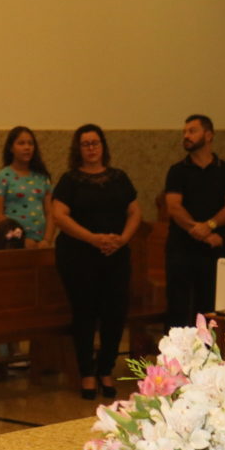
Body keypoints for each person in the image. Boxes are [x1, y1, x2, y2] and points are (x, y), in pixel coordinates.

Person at [51, 124, 141, 400]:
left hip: (115, 254)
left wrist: (122, 239)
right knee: (85, 313)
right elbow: (59, 215)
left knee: (115, 313)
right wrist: (93, 238)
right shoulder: (70, 180)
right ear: (78, 149)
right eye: (85, 144)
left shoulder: (119, 178)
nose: (91, 148)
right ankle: (87, 373)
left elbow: (135, 211)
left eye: (95, 143)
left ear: (103, 146)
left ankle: (106, 369)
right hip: (79, 255)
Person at [164, 114, 225, 329]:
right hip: (181, 249)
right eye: (184, 132)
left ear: (208, 135)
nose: (186, 136)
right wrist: (203, 233)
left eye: (192, 131)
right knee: (178, 308)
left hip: (214, 250)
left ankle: (208, 349)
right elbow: (174, 207)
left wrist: (209, 226)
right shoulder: (177, 170)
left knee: (209, 308)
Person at [0, 125, 54, 246]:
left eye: (30, 143)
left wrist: (47, 240)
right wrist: (20, 238)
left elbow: (50, 213)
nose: (27, 147)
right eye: (21, 143)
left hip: (40, 243)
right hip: (12, 242)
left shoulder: (42, 178)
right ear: (11, 148)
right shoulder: (2, 177)